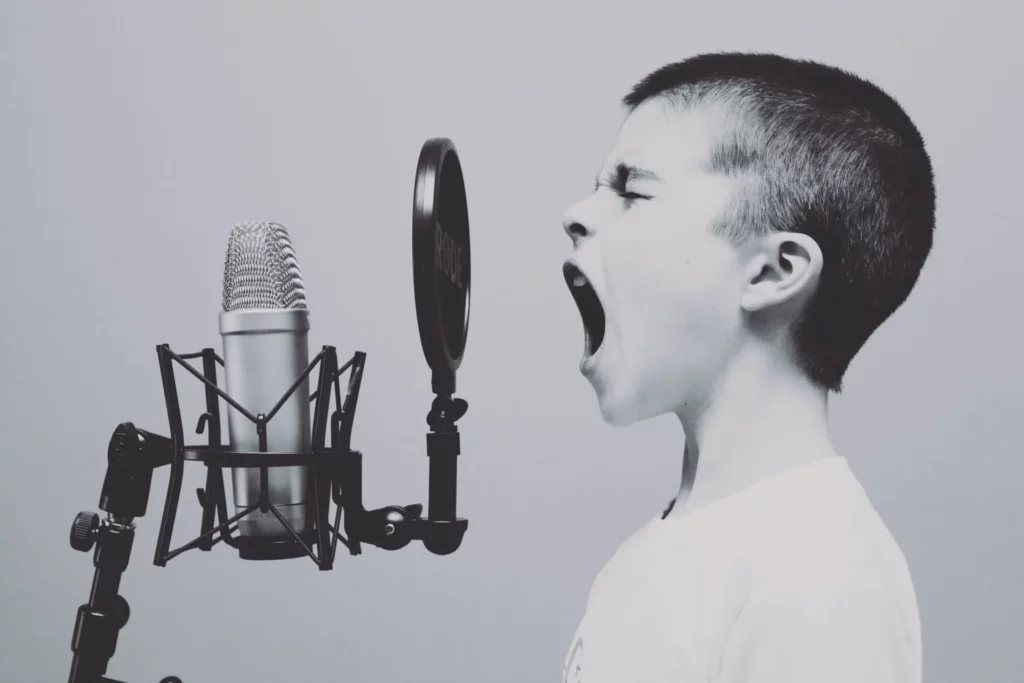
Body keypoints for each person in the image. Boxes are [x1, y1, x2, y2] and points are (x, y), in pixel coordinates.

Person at [560, 52, 934, 683]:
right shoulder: (661, 551)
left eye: (631, 190)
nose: (578, 214)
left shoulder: (818, 581)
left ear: (773, 271)